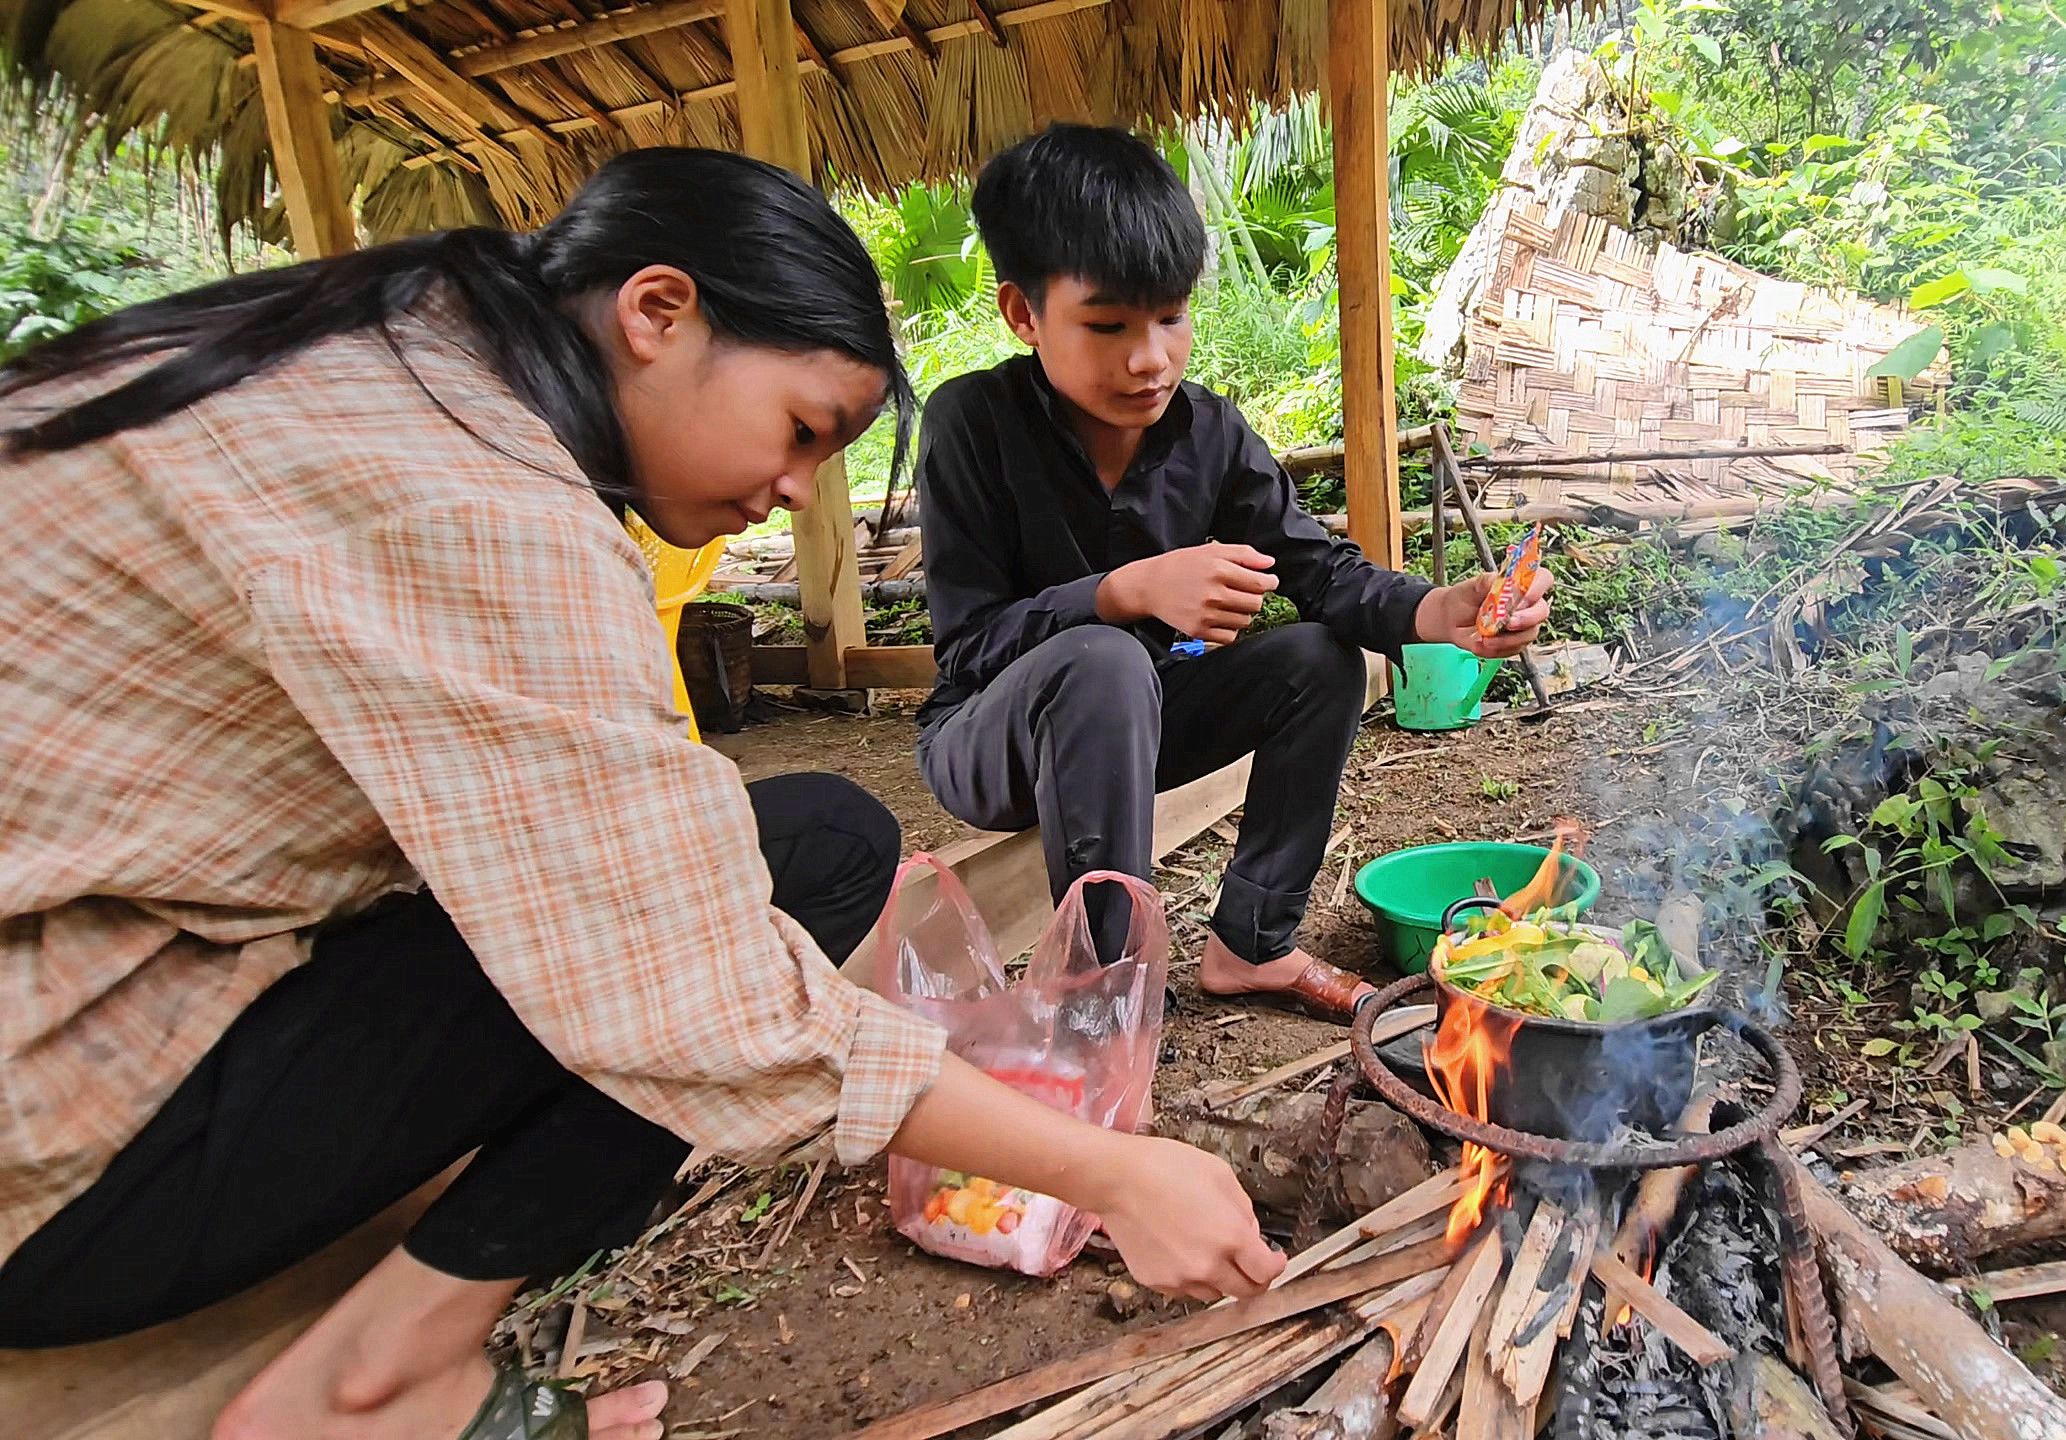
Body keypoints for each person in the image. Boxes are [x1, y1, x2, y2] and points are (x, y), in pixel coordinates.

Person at [0, 148, 1284, 1440]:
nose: (796, 491)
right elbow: (692, 983)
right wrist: (1111, 1172)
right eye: (800, 432)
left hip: (106, 1024)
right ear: (657, 314)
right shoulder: (477, 497)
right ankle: (376, 1387)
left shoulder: (385, 372)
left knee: (808, 838)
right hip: (62, 1146)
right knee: (781, 875)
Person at [914, 125, 1553, 1017]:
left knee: (1318, 659)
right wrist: (1122, 592)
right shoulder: (969, 426)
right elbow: (972, 649)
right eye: (1107, 326)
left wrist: (1436, 607)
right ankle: (1105, 998)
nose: (1150, 359)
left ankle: (1250, 945)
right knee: (1106, 660)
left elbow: (1320, 571)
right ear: (1023, 314)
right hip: (992, 742)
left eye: (1171, 317)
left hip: (1139, 726)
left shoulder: (1209, 433)